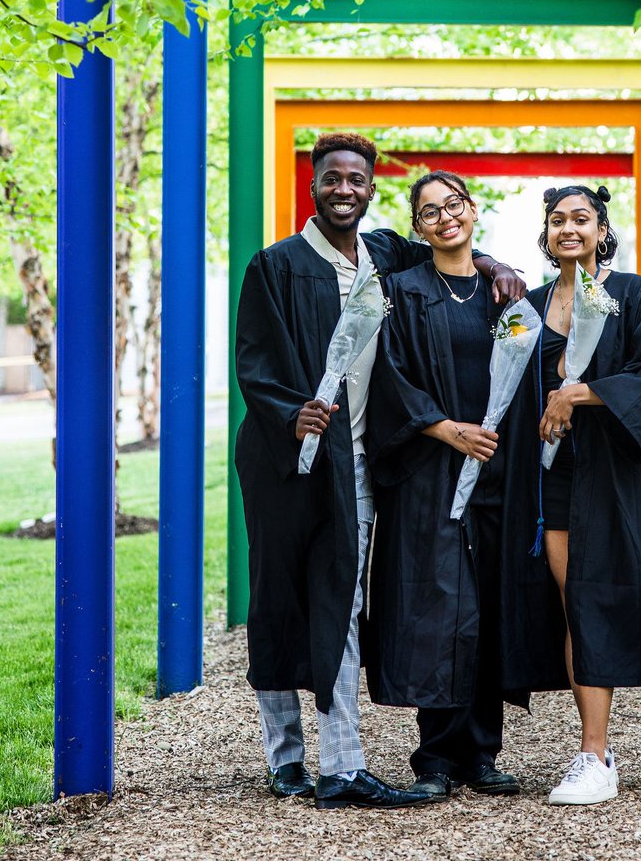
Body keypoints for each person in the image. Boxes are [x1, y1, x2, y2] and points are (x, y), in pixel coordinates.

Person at [234, 134, 524, 811]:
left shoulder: (384, 255)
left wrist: (495, 263)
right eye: (331, 177)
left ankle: (343, 766)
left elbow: (446, 248)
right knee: (279, 603)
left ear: (370, 190)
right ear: (312, 186)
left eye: (356, 179)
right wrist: (289, 414)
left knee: (343, 602)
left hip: (357, 461)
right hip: (286, 464)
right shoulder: (275, 266)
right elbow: (254, 363)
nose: (344, 188)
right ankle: (286, 759)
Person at [365, 172, 565, 803]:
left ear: (473, 210)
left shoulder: (506, 295)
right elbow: (389, 377)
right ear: (418, 227)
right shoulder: (401, 291)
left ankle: (482, 753)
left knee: (488, 604)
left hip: (499, 471)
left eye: (454, 205)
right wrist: (448, 430)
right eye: (430, 212)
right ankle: (435, 756)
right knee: (437, 606)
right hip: (432, 470)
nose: (445, 217)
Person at [513, 184, 641, 806]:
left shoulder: (636, 296)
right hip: (555, 474)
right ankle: (593, 752)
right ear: (546, 232)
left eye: (581, 219)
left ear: (600, 228)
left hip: (619, 471)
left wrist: (579, 394)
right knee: (576, 599)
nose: (569, 229)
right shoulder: (528, 307)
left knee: (595, 595)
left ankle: (595, 754)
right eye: (558, 220)